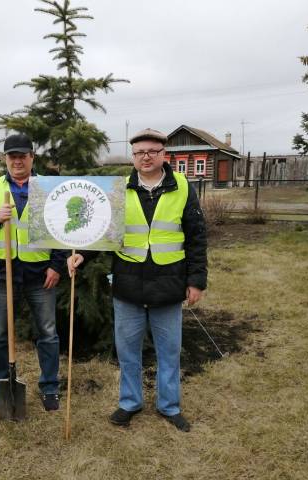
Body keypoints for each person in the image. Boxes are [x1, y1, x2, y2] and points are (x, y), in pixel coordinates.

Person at [68, 128, 207, 431]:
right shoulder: (119, 189)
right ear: (133, 157)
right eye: (139, 152)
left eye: (152, 152)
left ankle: (169, 406)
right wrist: (82, 256)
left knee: (169, 351)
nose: (145, 157)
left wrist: (196, 281)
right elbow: (103, 231)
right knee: (128, 351)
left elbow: (197, 237)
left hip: (169, 284)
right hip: (128, 284)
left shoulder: (183, 187)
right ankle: (130, 403)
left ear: (163, 155)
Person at [0, 132, 67, 412]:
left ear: (31, 157)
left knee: (48, 333)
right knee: (0, 334)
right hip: (5, 272)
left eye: (22, 156)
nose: (17, 161)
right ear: (6, 159)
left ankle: (50, 389)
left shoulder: (48, 189)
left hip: (41, 272)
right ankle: (0, 387)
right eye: (12, 156)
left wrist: (56, 265)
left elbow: (61, 230)